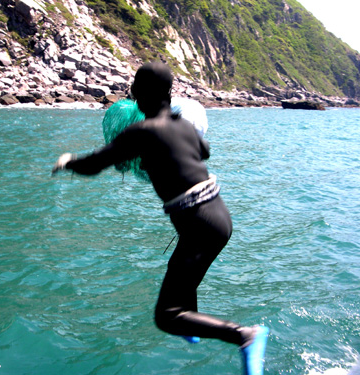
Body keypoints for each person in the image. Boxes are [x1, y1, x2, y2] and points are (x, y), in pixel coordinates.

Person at [52, 62, 269, 375]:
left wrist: (68, 161)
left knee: (166, 315)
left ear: (137, 94)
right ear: (170, 93)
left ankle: (245, 335)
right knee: (178, 274)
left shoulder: (141, 131)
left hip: (200, 224)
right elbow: (203, 150)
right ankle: (192, 324)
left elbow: (94, 164)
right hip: (217, 217)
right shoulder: (182, 126)